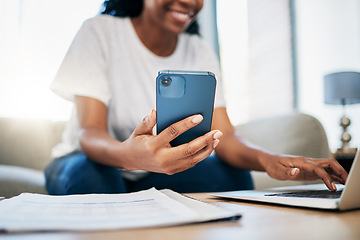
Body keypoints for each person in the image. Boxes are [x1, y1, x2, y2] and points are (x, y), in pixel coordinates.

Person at [45, 0, 347, 195]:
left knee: (234, 178)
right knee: (96, 183)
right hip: (88, 161)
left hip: (151, 172)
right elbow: (90, 133)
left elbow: (225, 136)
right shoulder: (99, 31)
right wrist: (128, 155)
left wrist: (271, 160)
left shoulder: (199, 50)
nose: (191, 2)